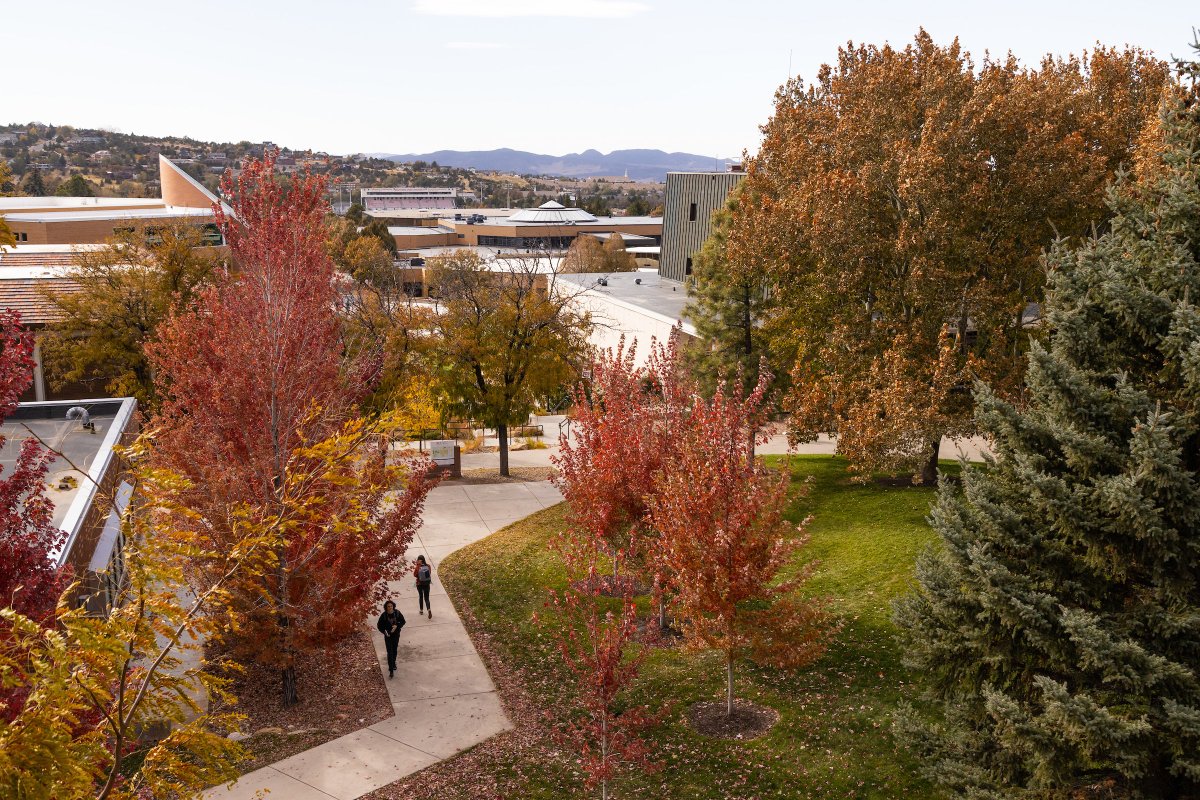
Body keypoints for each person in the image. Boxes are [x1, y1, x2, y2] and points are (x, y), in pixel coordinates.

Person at [376, 600, 405, 678]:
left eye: (391, 606)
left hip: (396, 635)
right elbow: (379, 626)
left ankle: (393, 663)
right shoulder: (384, 616)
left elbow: (403, 621)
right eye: (388, 606)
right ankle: (391, 669)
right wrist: (385, 632)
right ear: (386, 607)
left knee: (394, 650)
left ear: (393, 606)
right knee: (389, 651)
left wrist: (397, 626)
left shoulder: (397, 613)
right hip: (388, 636)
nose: (390, 607)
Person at [413, 555, 433, 619]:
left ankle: (421, 610)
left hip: (419, 584)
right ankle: (429, 609)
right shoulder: (428, 566)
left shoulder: (418, 567)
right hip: (427, 584)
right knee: (427, 598)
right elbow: (429, 573)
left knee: (421, 596)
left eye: (418, 560)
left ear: (419, 560)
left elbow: (415, 575)